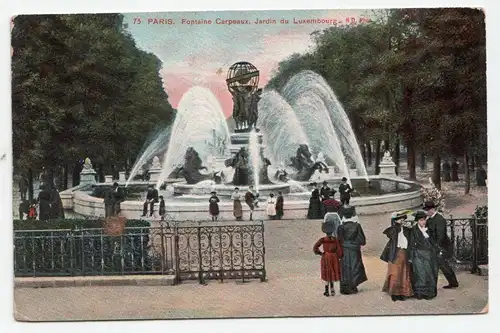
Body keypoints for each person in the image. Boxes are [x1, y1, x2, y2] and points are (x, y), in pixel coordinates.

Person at [423, 201, 459, 289]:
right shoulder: (430, 219)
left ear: (432, 209)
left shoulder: (439, 219)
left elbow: (440, 235)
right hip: (434, 245)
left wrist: (437, 248)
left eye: (427, 210)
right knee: (437, 265)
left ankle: (453, 283)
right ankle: (451, 283)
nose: (426, 212)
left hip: (441, 246)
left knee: (443, 265)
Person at [380, 210, 414, 301]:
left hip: (404, 252)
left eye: (403, 219)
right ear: (395, 221)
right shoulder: (393, 229)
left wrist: (408, 227)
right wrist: (397, 225)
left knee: (403, 273)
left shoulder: (406, 229)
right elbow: (390, 233)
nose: (402, 220)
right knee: (395, 273)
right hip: (395, 253)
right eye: (400, 219)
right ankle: (394, 293)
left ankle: (402, 292)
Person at [408, 210, 440, 300]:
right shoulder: (414, 230)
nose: (423, 222)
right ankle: (420, 293)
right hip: (418, 254)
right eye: (421, 220)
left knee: (429, 273)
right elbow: (411, 244)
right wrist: (411, 257)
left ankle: (429, 293)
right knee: (420, 274)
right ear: (417, 221)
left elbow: (433, 242)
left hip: (429, 254)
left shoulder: (428, 229)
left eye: (424, 220)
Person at [337, 206, 367, 295]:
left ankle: (345, 287)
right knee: (355, 266)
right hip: (354, 249)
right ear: (352, 215)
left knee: (345, 267)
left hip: (344, 248)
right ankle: (353, 286)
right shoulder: (357, 226)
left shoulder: (341, 227)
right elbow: (362, 240)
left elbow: (339, 239)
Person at [313, 214, 343, 296]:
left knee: (326, 273)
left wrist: (320, 253)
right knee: (332, 271)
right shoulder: (335, 240)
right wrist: (339, 256)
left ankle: (326, 290)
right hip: (333, 257)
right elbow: (339, 249)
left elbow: (315, 247)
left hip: (326, 256)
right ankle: (332, 289)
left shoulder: (323, 240)